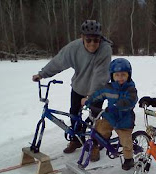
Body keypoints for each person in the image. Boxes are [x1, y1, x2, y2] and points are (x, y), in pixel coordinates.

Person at [32, 20, 112, 154]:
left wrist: (90, 97)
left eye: (96, 40)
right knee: (74, 114)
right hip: (79, 86)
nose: (92, 44)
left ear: (100, 39)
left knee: (94, 117)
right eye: (89, 40)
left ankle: (95, 145)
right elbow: (59, 62)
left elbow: (100, 76)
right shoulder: (74, 48)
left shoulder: (105, 49)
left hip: (97, 90)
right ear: (82, 38)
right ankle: (75, 140)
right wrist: (42, 74)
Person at [82, 58, 138, 171]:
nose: (120, 78)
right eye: (117, 75)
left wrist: (118, 106)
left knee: (125, 141)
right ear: (112, 76)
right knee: (100, 128)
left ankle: (129, 159)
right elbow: (99, 95)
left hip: (124, 120)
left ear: (129, 75)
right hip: (111, 117)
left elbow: (131, 101)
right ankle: (101, 143)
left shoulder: (130, 89)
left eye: (123, 75)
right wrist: (88, 101)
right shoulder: (109, 88)